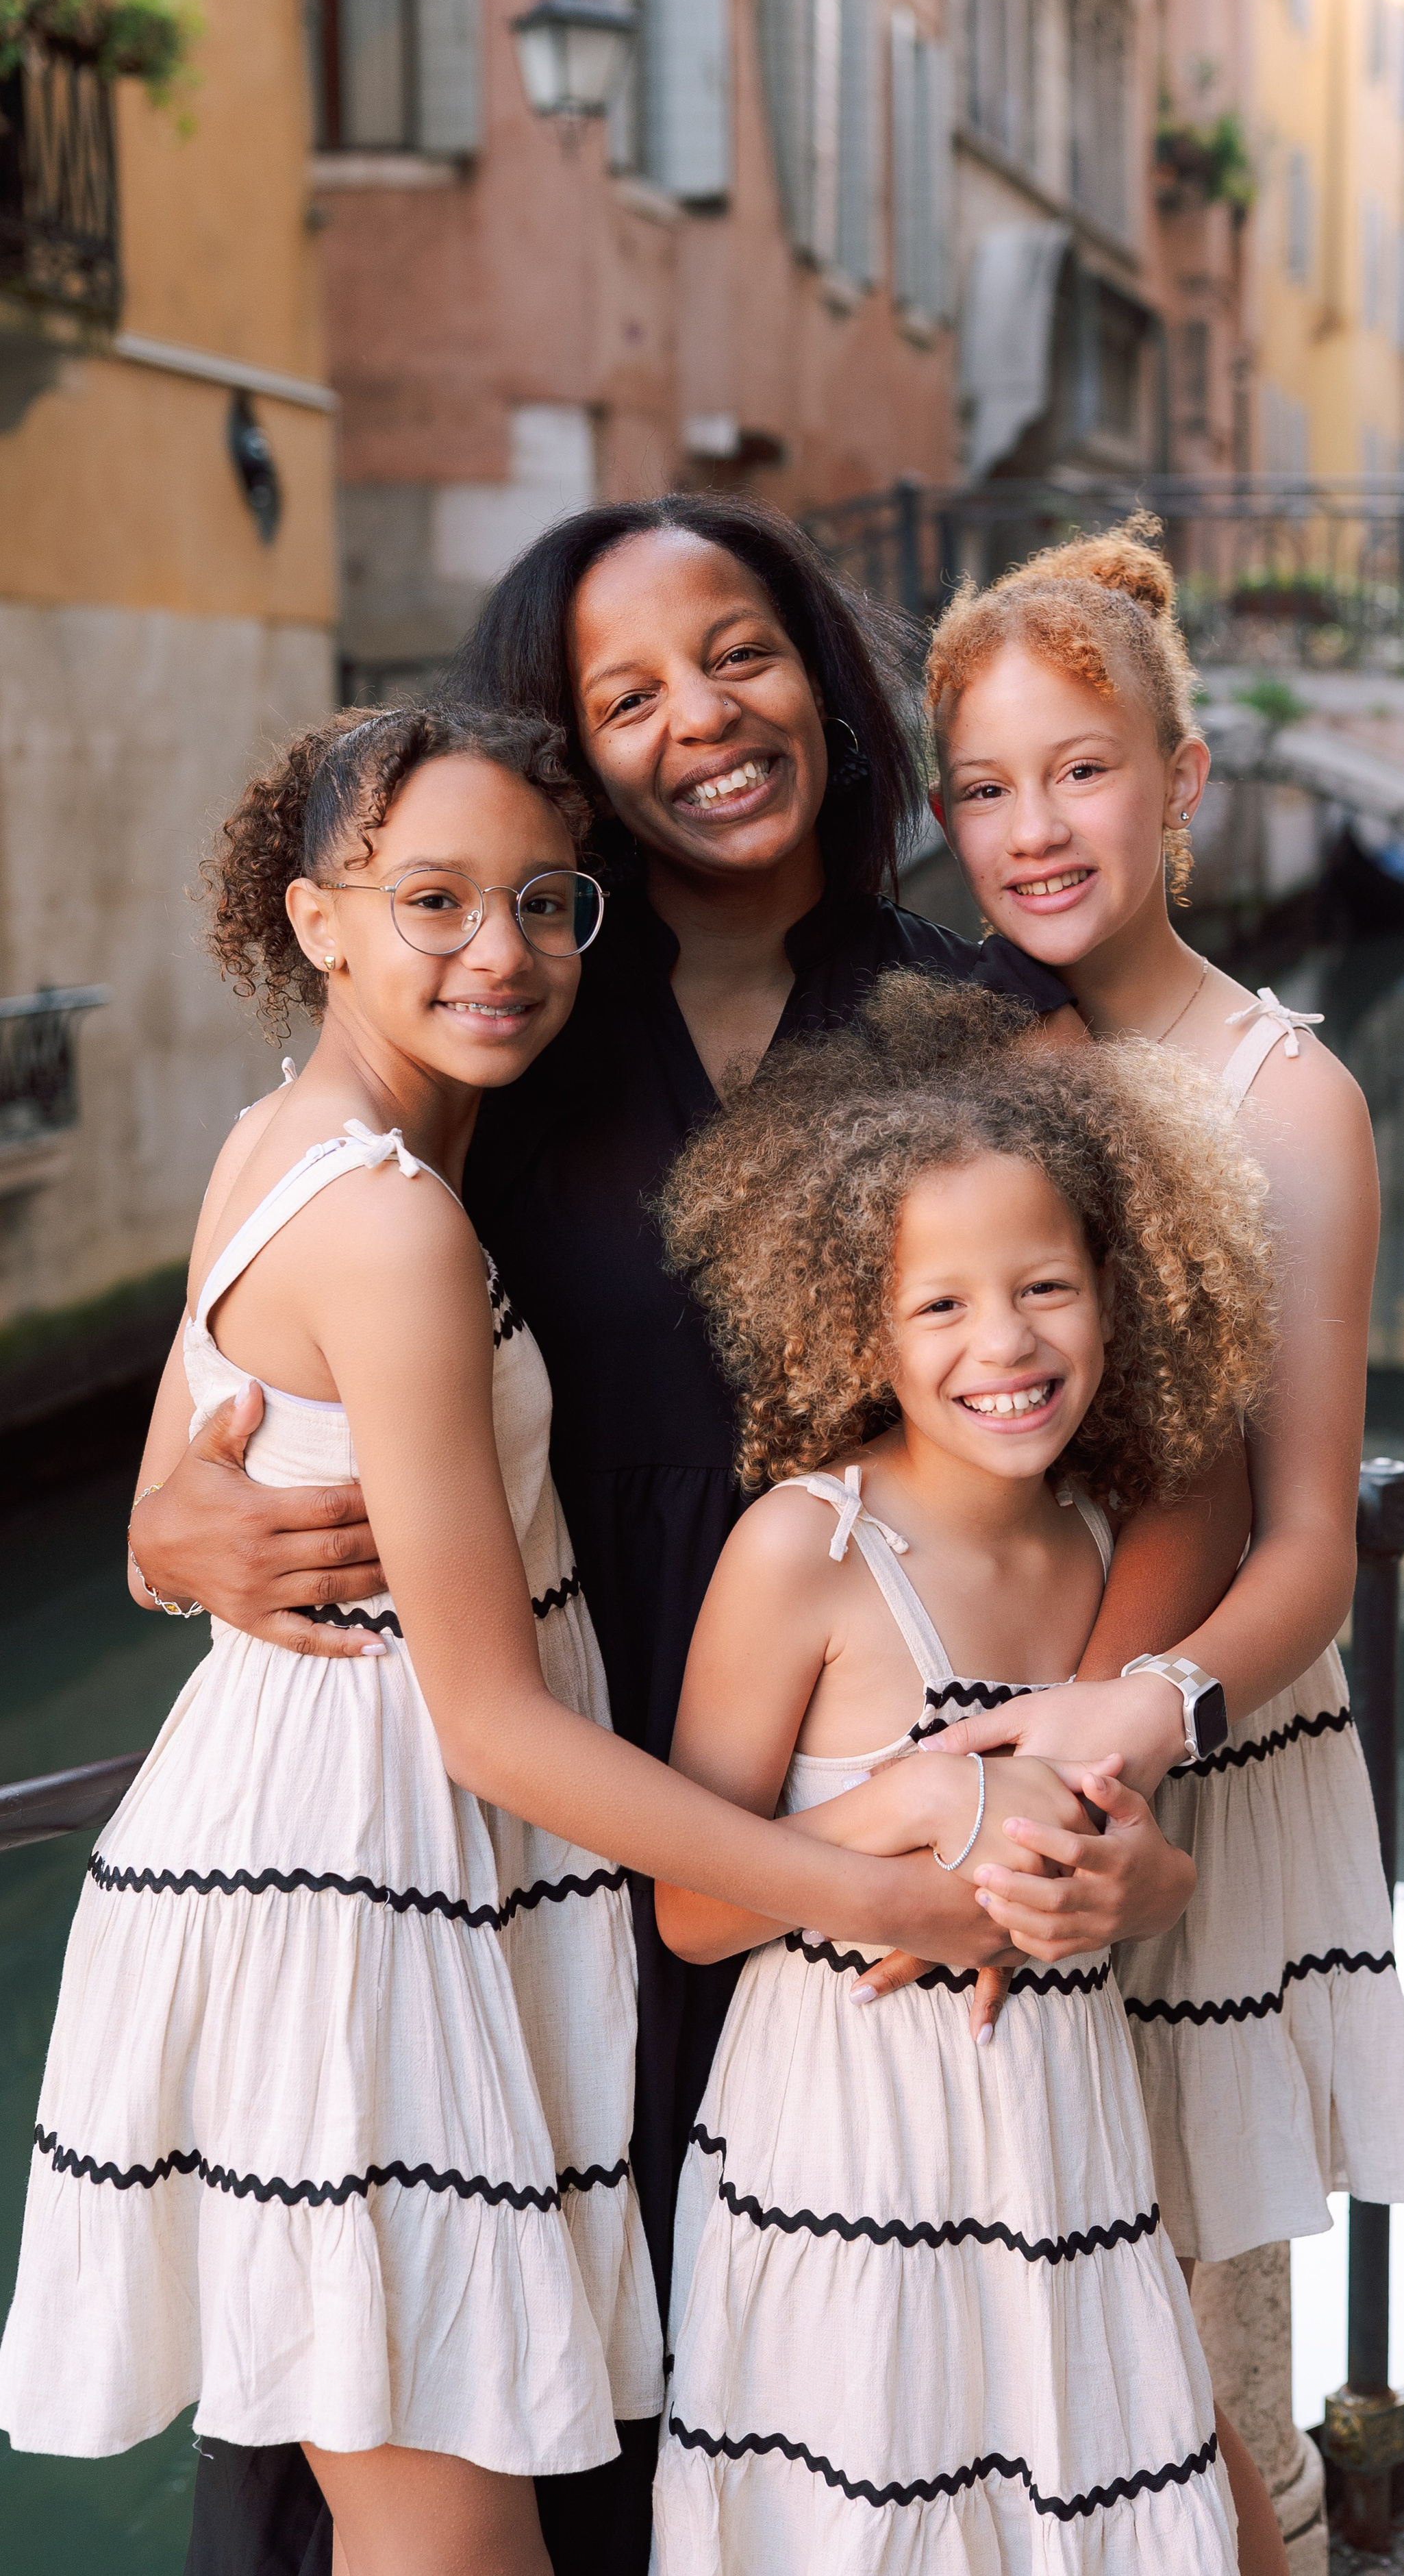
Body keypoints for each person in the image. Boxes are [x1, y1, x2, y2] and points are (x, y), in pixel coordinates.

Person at [121, 501, 1210, 2573]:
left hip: (853, 1803)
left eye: (739, 653)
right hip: (519, 1814)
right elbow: (250, 1378)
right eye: (624, 694)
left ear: (821, 675)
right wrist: (176, 1534)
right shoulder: (499, 1019)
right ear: (565, 749)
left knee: (839, 2407)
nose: (699, 718)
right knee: (472, 2396)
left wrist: (1071, 1765)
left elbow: (1177, 1460)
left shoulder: (986, 1022)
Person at [649, 973, 1273, 2571]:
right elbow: (692, 1909)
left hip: (1061, 2135)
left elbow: (1134, 1860)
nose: (1003, 1342)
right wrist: (912, 1803)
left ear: (1114, 1294)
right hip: (841, 2147)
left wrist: (1146, 1885)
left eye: (1044, 1287)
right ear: (858, 1324)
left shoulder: (1108, 1554)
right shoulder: (805, 1551)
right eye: (939, 1306)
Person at [920, 520, 1404, 2355]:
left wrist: (1137, 1717)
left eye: (1082, 772)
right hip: (981, 1747)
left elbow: (1306, 1539)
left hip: (1194, 1745)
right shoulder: (948, 1063)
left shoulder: (1283, 1100)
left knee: (1197, 2359)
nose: (1035, 830)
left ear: (1182, 780)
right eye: (986, 788)